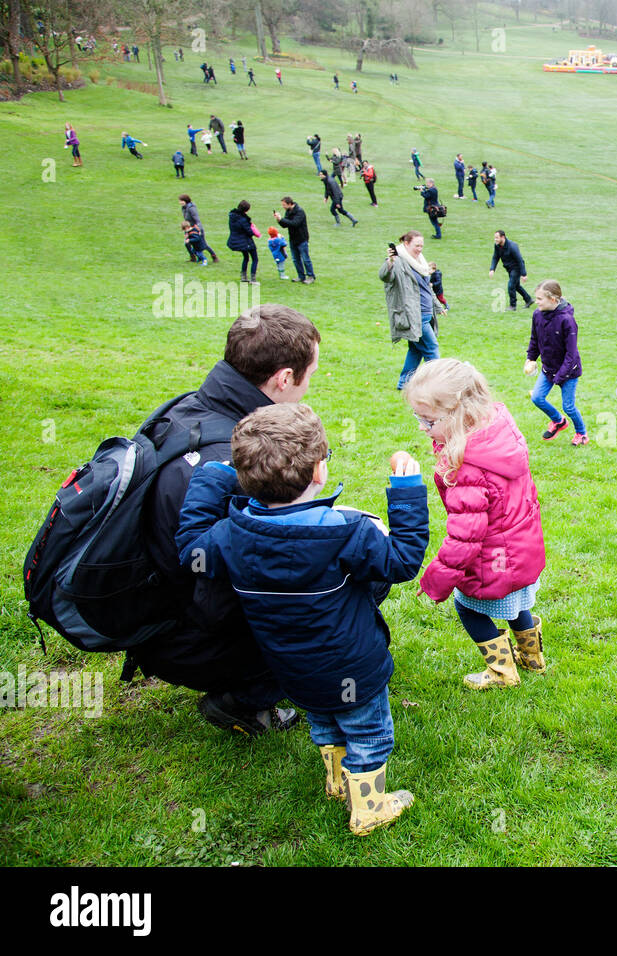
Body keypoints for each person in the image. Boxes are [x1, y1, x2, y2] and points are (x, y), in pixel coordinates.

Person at [175, 403, 428, 835]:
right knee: (368, 733)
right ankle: (368, 808)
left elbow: (190, 551)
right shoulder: (345, 531)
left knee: (323, 717)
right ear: (318, 472)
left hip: (290, 666)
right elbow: (402, 562)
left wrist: (210, 478)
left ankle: (335, 779)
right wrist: (405, 492)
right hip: (353, 666)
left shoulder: (232, 533)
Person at [124, 306, 321, 736]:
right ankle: (244, 697)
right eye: (309, 375)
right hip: (185, 636)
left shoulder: (186, 409)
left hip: (150, 617)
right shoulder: (239, 458)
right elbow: (254, 578)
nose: (308, 389)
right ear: (283, 379)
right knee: (336, 577)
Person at [407, 359, 548, 690]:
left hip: (493, 560)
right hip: (521, 548)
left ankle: (502, 673)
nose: (421, 427)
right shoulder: (496, 429)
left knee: (468, 608)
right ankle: (533, 658)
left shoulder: (465, 467)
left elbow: (463, 538)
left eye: (427, 421)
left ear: (456, 413)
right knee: (516, 604)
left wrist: (437, 581)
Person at [525, 280, 587, 445]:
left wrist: (558, 378)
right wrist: (530, 358)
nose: (536, 302)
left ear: (553, 299)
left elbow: (571, 354)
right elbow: (534, 339)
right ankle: (559, 421)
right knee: (537, 398)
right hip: (549, 369)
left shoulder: (567, 320)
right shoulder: (537, 315)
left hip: (569, 371)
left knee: (568, 406)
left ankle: (582, 433)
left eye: (539, 299)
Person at [384, 231, 446, 390]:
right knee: (432, 348)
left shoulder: (420, 262)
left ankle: (403, 383)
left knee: (415, 350)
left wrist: (438, 307)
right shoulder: (399, 261)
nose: (419, 249)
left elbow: (426, 288)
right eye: (416, 245)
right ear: (406, 244)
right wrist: (390, 261)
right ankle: (438, 383)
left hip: (426, 312)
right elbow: (385, 276)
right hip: (415, 316)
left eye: (421, 245)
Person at [274, 196, 315, 283]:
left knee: (305, 259)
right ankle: (301, 276)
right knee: (295, 259)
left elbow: (294, 223)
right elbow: (285, 225)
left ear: (290, 204)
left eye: (284, 205)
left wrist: (282, 219)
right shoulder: (288, 211)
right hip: (293, 239)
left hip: (302, 239)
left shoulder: (300, 212)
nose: (283, 207)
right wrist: (279, 220)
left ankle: (311, 276)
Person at [489, 230, 531, 311]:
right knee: (516, 286)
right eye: (495, 238)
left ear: (503, 237)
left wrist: (524, 274)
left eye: (497, 238)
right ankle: (528, 299)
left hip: (516, 268)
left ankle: (513, 306)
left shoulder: (512, 246)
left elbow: (520, 260)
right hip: (509, 268)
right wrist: (492, 269)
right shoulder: (497, 246)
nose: (495, 240)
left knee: (511, 286)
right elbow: (495, 257)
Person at [226, 200, 260, 283]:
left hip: (236, 241)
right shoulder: (243, 220)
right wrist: (253, 228)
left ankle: (243, 277)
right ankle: (253, 279)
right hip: (246, 242)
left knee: (246, 258)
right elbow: (250, 232)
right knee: (255, 259)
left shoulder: (232, 216)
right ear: (246, 210)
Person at [179, 195, 218, 264]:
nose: (180, 202)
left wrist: (198, 229)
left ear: (186, 201)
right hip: (188, 228)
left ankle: (214, 256)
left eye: (181, 201)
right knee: (187, 243)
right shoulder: (183, 208)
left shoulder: (191, 208)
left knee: (203, 245)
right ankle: (193, 257)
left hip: (196, 228)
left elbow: (197, 219)